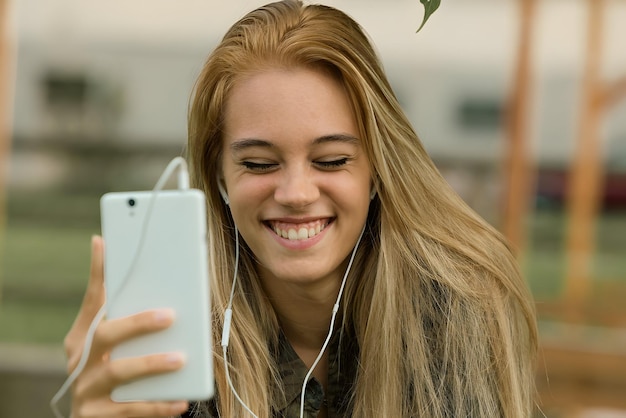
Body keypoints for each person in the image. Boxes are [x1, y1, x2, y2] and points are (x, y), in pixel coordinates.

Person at [64, 1, 538, 417]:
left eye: (331, 160)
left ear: (378, 168)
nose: (295, 192)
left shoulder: (457, 306)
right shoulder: (175, 331)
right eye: (259, 163)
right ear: (220, 175)